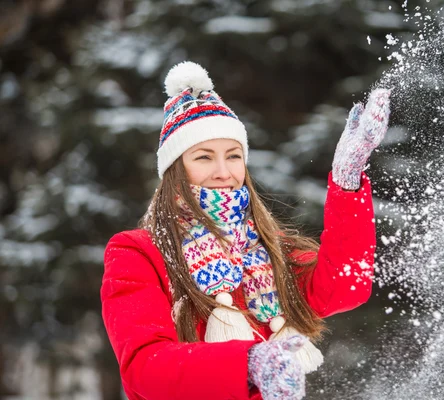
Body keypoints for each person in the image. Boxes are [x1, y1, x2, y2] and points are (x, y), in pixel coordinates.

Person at [101, 61, 390, 400]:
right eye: (204, 157)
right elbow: (145, 369)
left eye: (234, 156)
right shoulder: (137, 252)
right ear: (174, 170)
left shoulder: (269, 248)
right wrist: (249, 362)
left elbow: (346, 286)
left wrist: (347, 181)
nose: (224, 172)